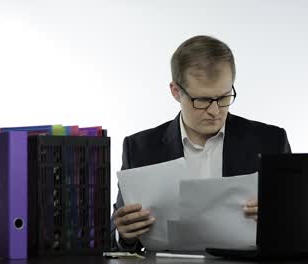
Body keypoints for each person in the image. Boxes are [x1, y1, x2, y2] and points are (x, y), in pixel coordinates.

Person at [111, 35, 291, 251]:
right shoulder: (139, 148)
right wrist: (125, 234)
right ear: (176, 92)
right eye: (203, 100)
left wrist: (279, 219)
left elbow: (297, 225)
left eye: (224, 97)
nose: (215, 111)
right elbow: (123, 239)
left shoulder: (270, 141)